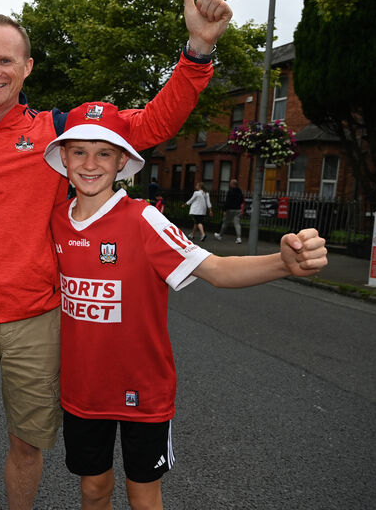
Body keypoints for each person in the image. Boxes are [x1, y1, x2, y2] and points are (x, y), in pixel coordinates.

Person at [0, 0, 233, 510]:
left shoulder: (57, 131)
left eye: (5, 60)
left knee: (26, 444)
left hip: (38, 319)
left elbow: (149, 124)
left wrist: (196, 54)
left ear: (27, 67)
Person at [44, 101, 328, 510]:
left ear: (122, 159)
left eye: (104, 152)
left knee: (143, 495)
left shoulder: (144, 219)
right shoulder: (55, 219)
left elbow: (216, 269)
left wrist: (282, 262)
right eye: (80, 151)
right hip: (82, 389)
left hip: (143, 389)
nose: (91, 163)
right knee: (93, 489)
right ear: (64, 158)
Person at [215, 178, 244, 243]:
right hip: (238, 209)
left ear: (233, 184)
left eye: (230, 183)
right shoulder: (240, 191)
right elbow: (242, 201)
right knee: (237, 224)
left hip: (230, 210)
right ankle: (239, 238)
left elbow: (227, 202)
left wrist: (224, 210)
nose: (229, 184)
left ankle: (220, 235)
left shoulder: (230, 191)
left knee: (225, 223)